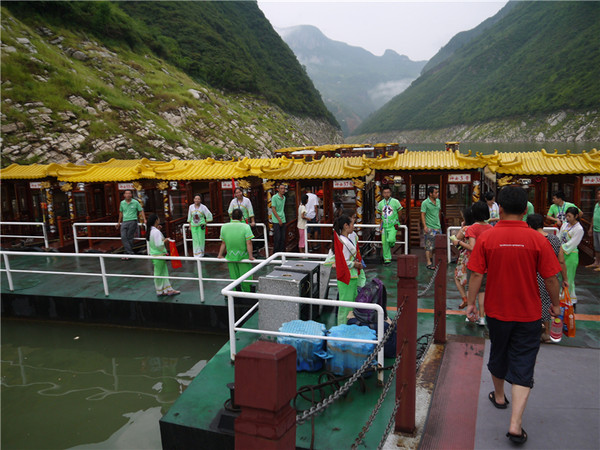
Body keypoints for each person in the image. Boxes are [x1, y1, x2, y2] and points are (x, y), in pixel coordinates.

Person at [466, 186, 561, 445]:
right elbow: (551, 278)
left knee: (499, 350)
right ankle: (516, 424)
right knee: (523, 361)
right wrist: (555, 306)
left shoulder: (487, 238)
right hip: (529, 313)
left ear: (502, 209)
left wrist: (471, 304)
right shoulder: (538, 239)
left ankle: (499, 396)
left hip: (497, 311)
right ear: (524, 209)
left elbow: (476, 274)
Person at [526, 213, 569, 342]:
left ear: (529, 225)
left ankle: (535, 329)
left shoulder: (530, 239)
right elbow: (561, 261)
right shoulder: (554, 240)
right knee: (547, 302)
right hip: (551, 275)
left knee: (532, 302)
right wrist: (565, 279)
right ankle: (546, 332)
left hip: (533, 275)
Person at [455, 201, 492, 325]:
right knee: (482, 291)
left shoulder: (472, 228)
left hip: (474, 263)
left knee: (471, 289)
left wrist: (459, 243)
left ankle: (470, 314)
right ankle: (482, 318)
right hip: (487, 263)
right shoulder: (490, 227)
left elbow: (472, 246)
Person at [325, 214, 362, 325]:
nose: (353, 226)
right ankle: (342, 327)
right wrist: (354, 264)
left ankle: (345, 327)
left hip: (350, 277)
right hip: (347, 277)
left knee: (349, 304)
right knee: (346, 305)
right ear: (346, 226)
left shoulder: (344, 240)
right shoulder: (343, 242)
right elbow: (342, 262)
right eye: (352, 224)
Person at [218, 208, 255, 292]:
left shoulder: (224, 226)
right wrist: (250, 256)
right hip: (243, 256)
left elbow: (223, 243)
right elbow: (248, 243)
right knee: (246, 277)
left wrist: (220, 254)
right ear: (241, 217)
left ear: (231, 216)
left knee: (234, 277)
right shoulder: (246, 227)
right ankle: (247, 293)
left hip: (230, 256)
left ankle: (235, 294)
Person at [147, 214, 180, 296]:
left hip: (155, 255)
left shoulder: (151, 231)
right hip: (159, 255)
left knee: (162, 272)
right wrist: (166, 240)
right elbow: (159, 244)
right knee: (159, 273)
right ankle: (161, 290)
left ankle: (165, 289)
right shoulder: (156, 232)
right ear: (156, 221)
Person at [559, 207, 585, 305]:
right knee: (562, 277)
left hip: (571, 255)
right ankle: (568, 298)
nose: (567, 218)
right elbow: (559, 237)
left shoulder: (579, 229)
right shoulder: (565, 225)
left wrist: (560, 248)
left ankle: (567, 299)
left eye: (570, 216)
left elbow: (573, 244)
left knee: (569, 278)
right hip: (562, 252)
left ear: (576, 216)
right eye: (567, 216)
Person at [451, 207, 474, 310]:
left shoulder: (466, 228)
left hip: (466, 256)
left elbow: (457, 238)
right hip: (477, 256)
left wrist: (461, 227)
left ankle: (466, 300)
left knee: (458, 277)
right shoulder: (477, 227)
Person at [376, 186, 403, 265]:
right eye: (385, 193)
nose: (386, 194)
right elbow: (380, 213)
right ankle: (387, 259)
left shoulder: (395, 201)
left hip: (393, 224)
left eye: (388, 192)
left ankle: (392, 244)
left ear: (390, 193)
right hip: (384, 225)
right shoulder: (380, 203)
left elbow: (400, 211)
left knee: (391, 239)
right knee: (384, 242)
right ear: (382, 194)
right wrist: (381, 225)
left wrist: (398, 220)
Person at [117, 189, 146, 260]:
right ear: (124, 195)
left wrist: (144, 219)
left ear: (131, 195)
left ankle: (127, 253)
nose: (128, 195)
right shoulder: (122, 203)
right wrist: (119, 222)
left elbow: (141, 210)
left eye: (129, 193)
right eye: (126, 193)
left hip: (133, 221)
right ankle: (130, 253)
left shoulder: (135, 202)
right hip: (124, 221)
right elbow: (121, 212)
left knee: (129, 237)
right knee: (123, 237)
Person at [421, 186, 442, 269]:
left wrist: (439, 223)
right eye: (436, 192)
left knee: (436, 246)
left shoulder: (438, 201)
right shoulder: (425, 203)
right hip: (429, 227)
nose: (437, 194)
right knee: (428, 245)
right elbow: (423, 214)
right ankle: (428, 262)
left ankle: (431, 260)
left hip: (438, 226)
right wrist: (425, 226)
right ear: (430, 194)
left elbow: (438, 212)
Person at [585, 187, 600, 271]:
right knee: (596, 247)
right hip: (595, 229)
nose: (599, 195)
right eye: (598, 193)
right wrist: (591, 228)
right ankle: (596, 262)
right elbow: (594, 217)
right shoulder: (597, 205)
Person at [271, 183, 286, 253]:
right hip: (276, 220)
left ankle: (282, 252)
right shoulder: (274, 197)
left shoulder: (284, 198)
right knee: (278, 237)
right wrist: (279, 219)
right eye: (281, 188)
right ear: (278, 189)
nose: (283, 190)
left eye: (284, 189)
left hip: (283, 218)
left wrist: (282, 219)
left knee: (283, 237)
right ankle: (275, 252)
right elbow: (273, 209)